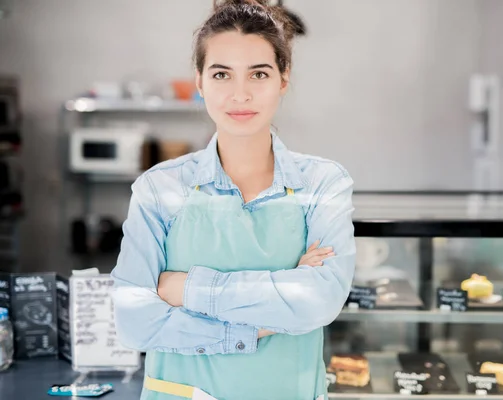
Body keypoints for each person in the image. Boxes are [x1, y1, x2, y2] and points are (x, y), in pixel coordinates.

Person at [110, 1, 356, 399]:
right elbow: (134, 321)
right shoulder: (160, 188)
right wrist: (263, 319)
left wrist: (185, 289)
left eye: (258, 73)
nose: (240, 94)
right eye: (222, 74)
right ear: (200, 82)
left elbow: (319, 301)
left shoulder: (323, 184)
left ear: (283, 79)